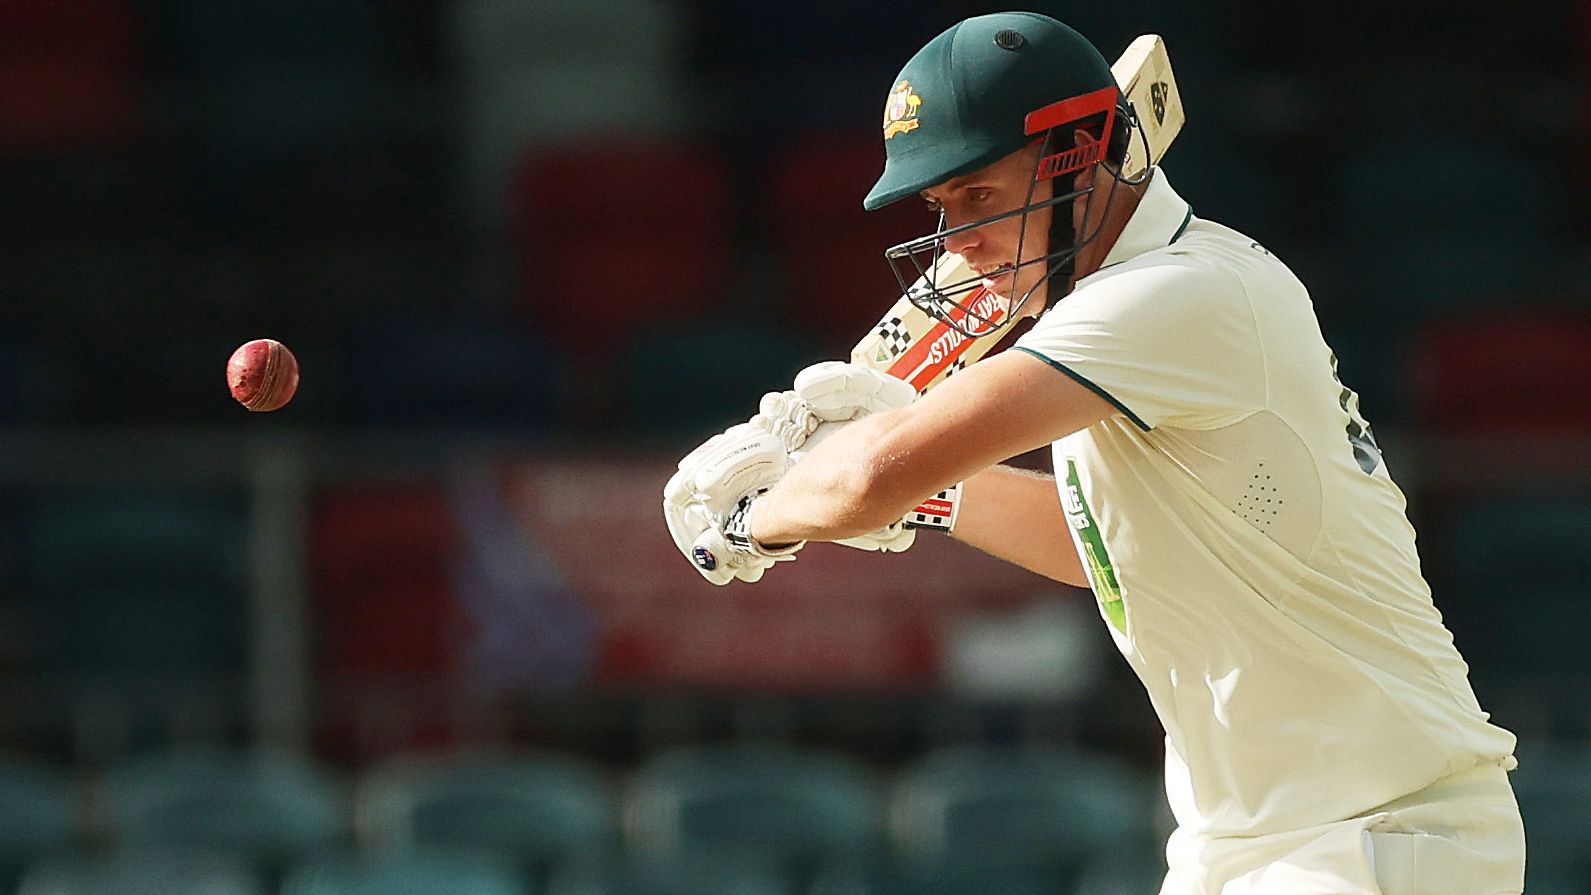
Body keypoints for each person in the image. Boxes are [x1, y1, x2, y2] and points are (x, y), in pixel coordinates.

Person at [662, 11, 1525, 895]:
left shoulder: (1172, 296)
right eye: (940, 206)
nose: (956, 242)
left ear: (1081, 155)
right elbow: (1104, 550)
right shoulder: (1123, 309)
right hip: (1247, 843)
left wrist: (750, 518)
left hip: (1380, 830)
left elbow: (867, 475)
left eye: (981, 196)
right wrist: (925, 494)